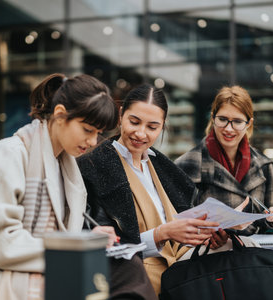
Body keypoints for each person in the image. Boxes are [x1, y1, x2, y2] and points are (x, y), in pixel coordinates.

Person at [0, 73, 122, 300]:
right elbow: (1, 242)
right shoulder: (8, 154)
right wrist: (73, 249)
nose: (94, 141)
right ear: (59, 115)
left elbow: (59, 234)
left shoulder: (65, 167)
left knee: (129, 270)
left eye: (98, 133)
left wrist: (88, 239)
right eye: (87, 129)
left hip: (34, 269)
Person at [77, 84, 229, 296]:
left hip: (183, 274)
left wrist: (207, 237)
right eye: (134, 122)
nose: (141, 133)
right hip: (139, 282)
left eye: (152, 127)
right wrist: (161, 234)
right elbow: (103, 246)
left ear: (163, 126)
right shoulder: (92, 168)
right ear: (121, 115)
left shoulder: (164, 169)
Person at [175, 85, 273, 300]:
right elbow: (178, 224)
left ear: (248, 123)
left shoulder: (262, 164)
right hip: (217, 250)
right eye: (223, 119)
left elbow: (270, 218)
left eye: (237, 121)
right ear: (213, 118)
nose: (229, 128)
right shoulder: (189, 164)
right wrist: (213, 233)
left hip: (256, 243)